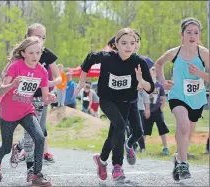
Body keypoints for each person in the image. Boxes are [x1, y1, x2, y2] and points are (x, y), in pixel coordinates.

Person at [75, 28, 154, 181]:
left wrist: (141, 81)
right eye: (124, 43)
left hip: (125, 102)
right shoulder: (107, 57)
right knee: (120, 127)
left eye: (132, 43)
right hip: (107, 100)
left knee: (115, 133)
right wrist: (82, 81)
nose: (128, 46)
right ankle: (117, 167)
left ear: (136, 45)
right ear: (116, 44)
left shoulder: (139, 62)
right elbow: (89, 58)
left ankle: (102, 160)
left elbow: (150, 88)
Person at [0, 36, 55, 187]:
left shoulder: (42, 72)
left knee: (39, 138)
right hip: (8, 113)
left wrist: (50, 98)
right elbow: (0, 91)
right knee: (6, 147)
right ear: (24, 53)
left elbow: (45, 98)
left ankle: (36, 175)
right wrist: (13, 84)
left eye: (38, 53)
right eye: (31, 53)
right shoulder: (15, 66)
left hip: (26, 111)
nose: (35, 56)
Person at [155, 17, 209, 181]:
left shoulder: (204, 53)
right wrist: (163, 82)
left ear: (199, 35)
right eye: (189, 32)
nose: (192, 36)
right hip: (177, 96)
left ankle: (178, 157)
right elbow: (158, 64)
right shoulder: (174, 53)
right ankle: (184, 164)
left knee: (187, 135)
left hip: (196, 99)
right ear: (182, 34)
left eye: (196, 33)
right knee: (183, 125)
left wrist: (200, 74)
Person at [3, 23, 61, 171]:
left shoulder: (47, 54)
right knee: (32, 132)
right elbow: (5, 74)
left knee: (39, 132)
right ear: (27, 38)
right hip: (23, 99)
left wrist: (47, 82)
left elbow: (59, 77)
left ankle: (19, 146)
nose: (40, 40)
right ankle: (32, 169)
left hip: (42, 97)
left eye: (43, 37)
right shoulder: (21, 55)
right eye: (37, 36)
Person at [143, 66, 169, 155]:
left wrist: (162, 107)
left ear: (155, 74)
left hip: (157, 110)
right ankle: (142, 147)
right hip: (148, 110)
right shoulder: (145, 84)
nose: (150, 74)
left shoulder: (159, 85)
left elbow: (163, 97)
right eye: (149, 73)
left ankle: (165, 147)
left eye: (152, 72)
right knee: (144, 129)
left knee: (162, 128)